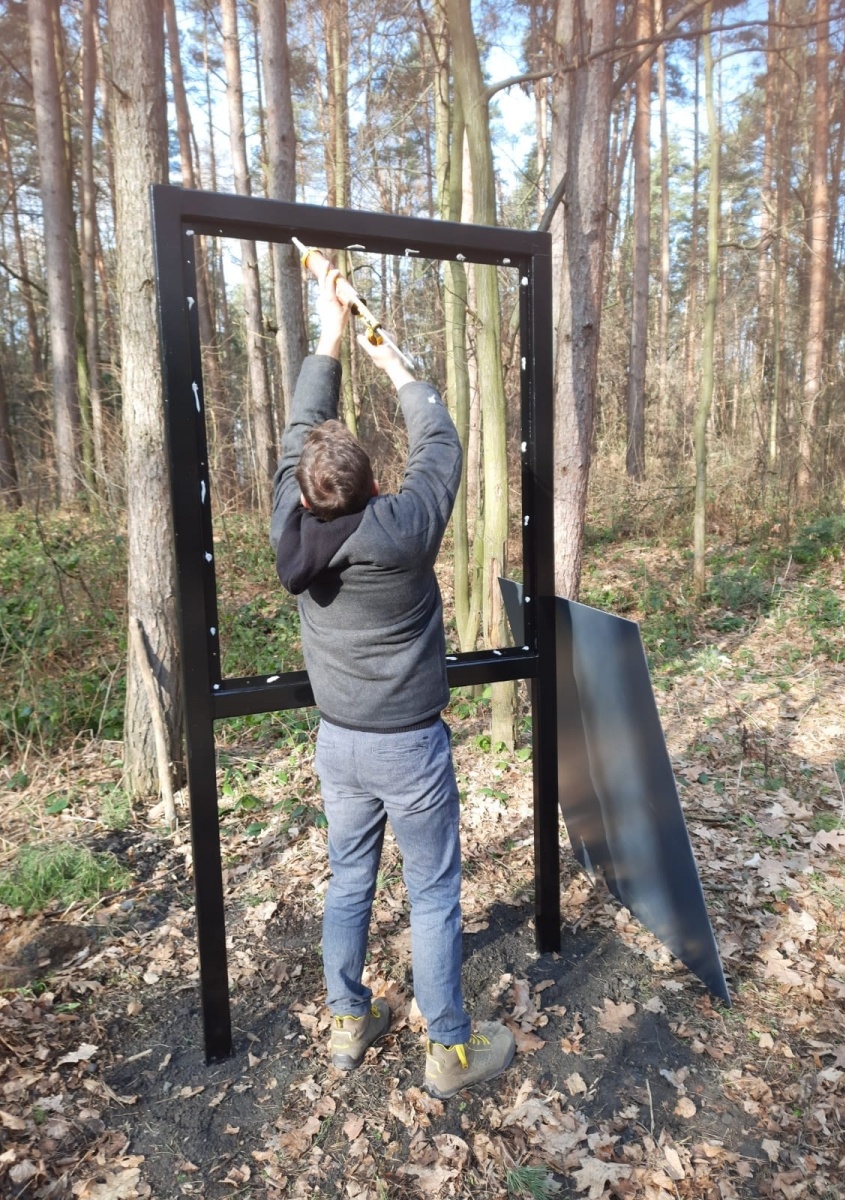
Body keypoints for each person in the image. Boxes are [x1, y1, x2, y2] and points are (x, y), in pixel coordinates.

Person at [269, 267, 515, 1099]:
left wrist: (329, 331)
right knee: (434, 894)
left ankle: (348, 1021)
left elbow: (296, 430)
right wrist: (394, 363)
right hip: (410, 747)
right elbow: (441, 443)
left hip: (339, 746)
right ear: (374, 483)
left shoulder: (293, 533)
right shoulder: (405, 524)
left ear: (305, 494)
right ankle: (446, 1049)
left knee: (348, 880)